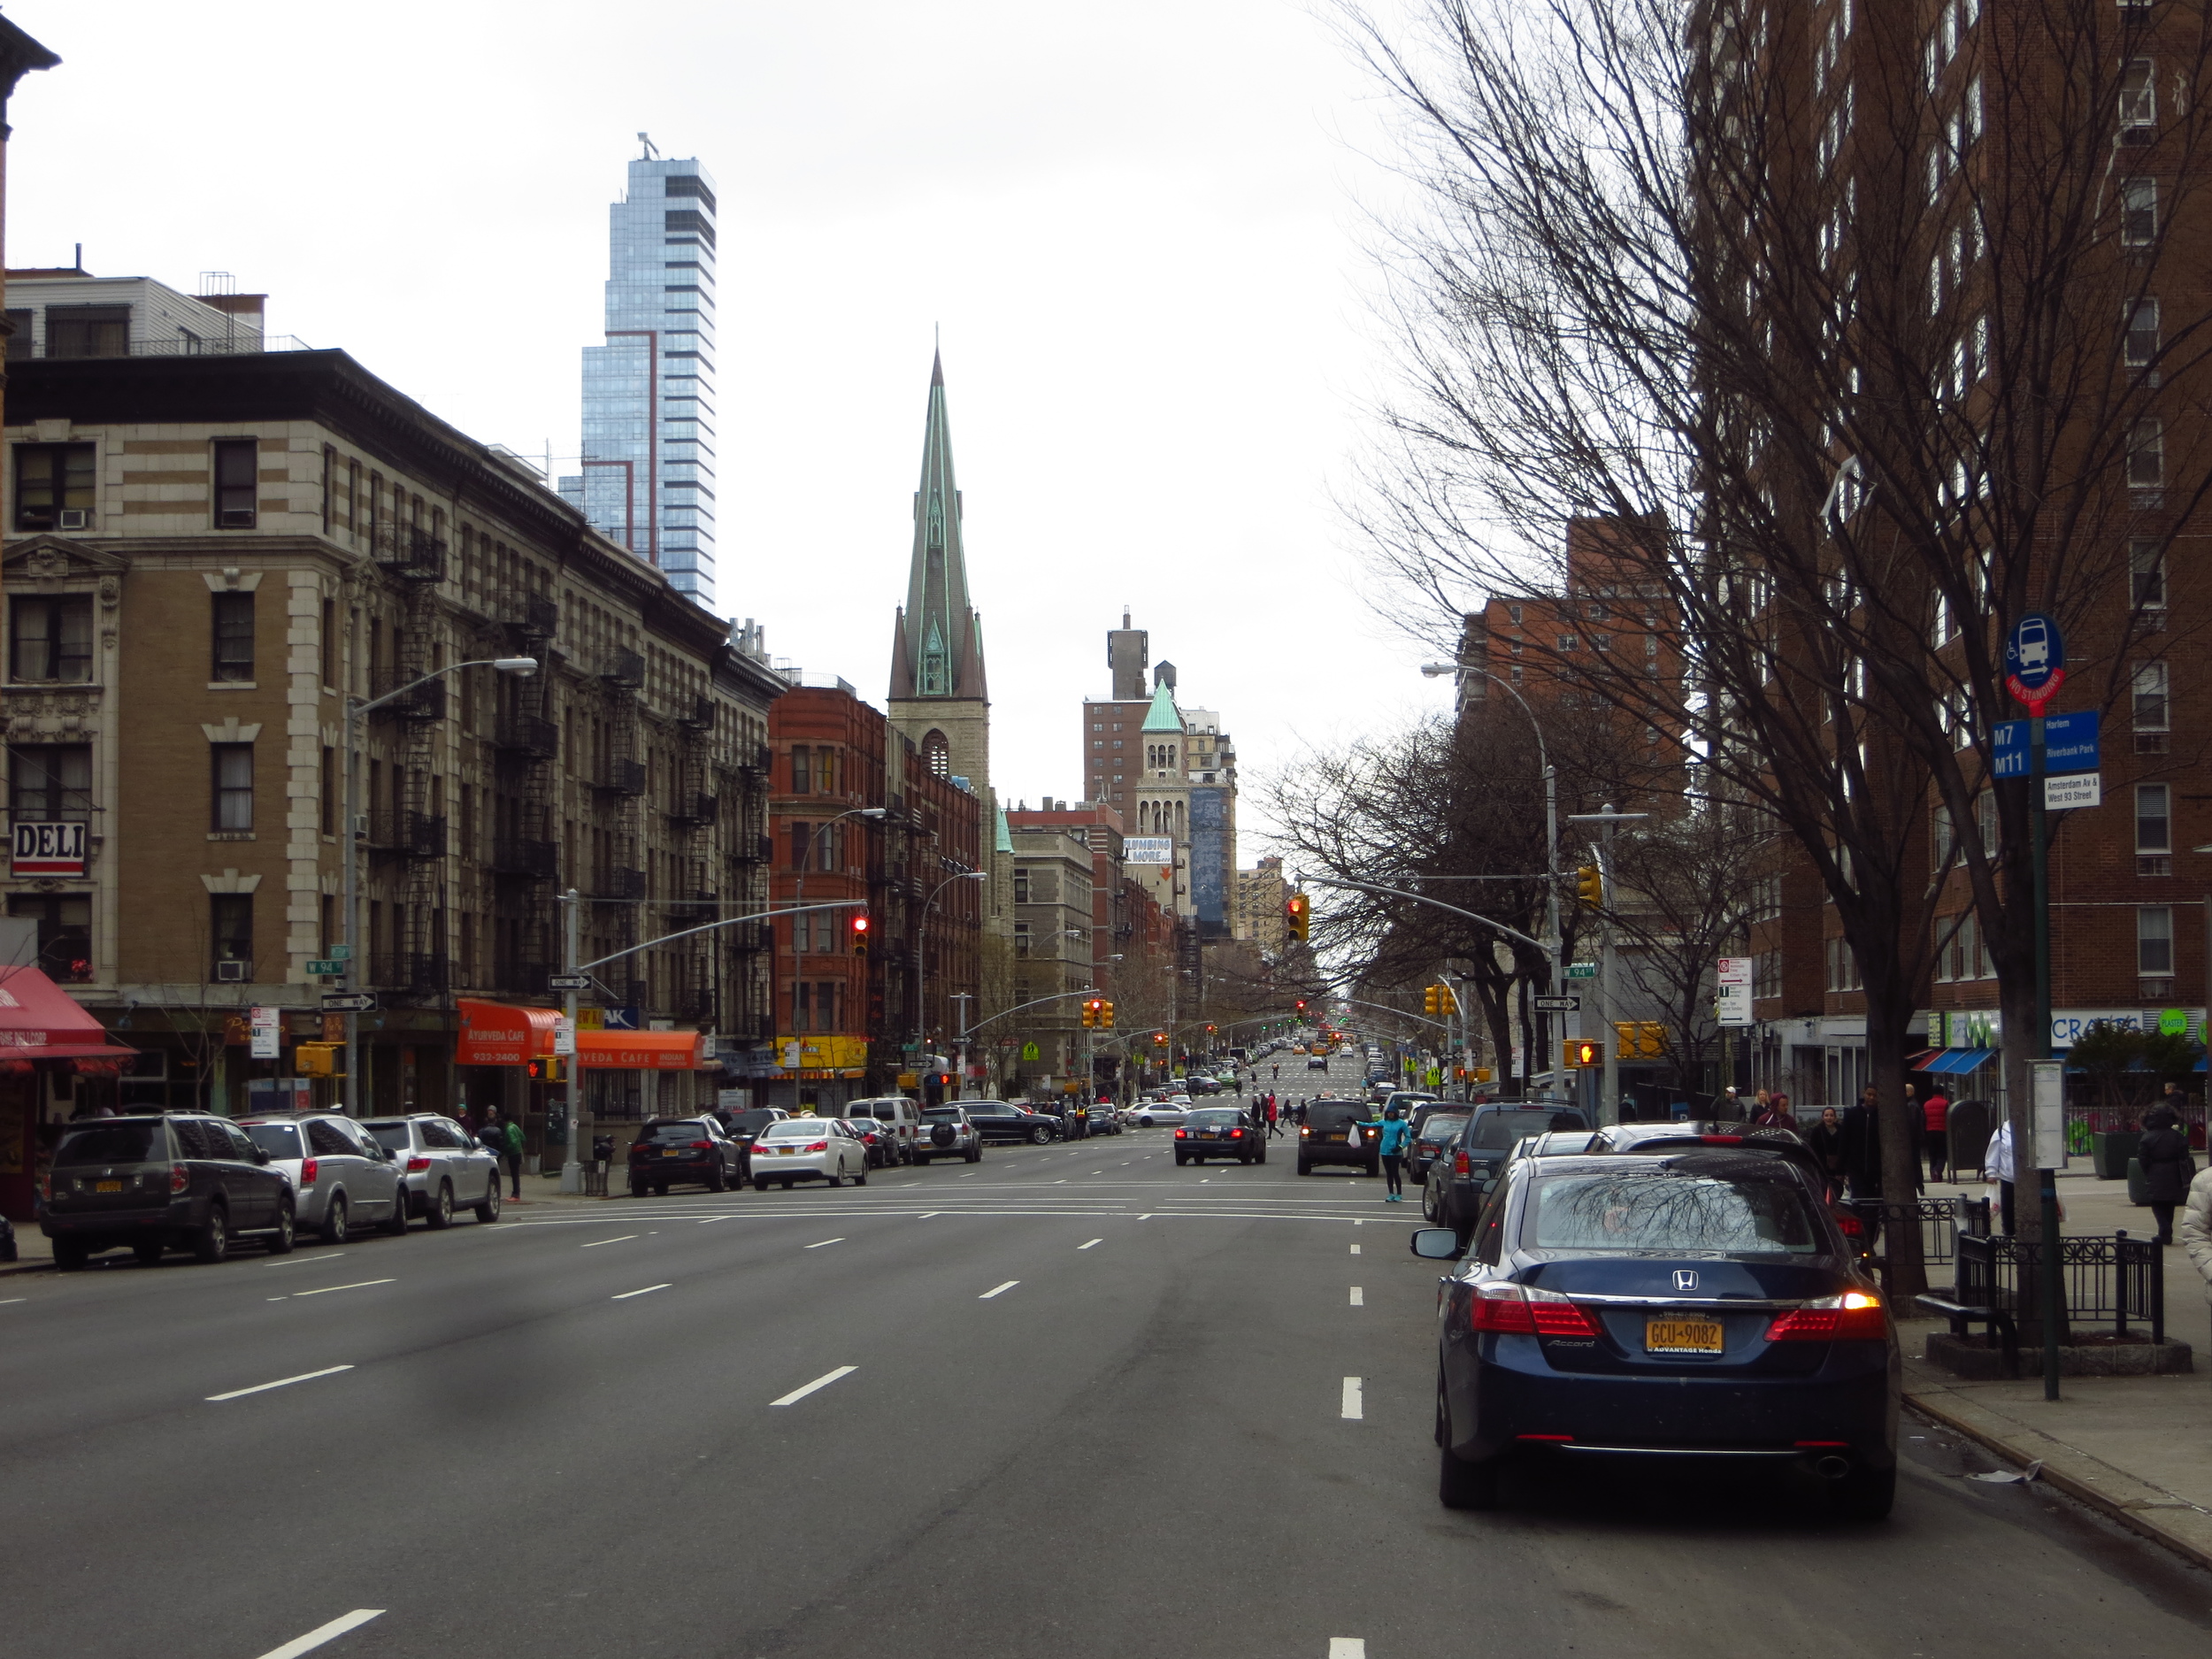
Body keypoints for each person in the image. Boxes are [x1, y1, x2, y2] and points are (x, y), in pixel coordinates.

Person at [2138, 1107, 2192, 1246]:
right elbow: (2185, 1155)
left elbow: (2143, 1158)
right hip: (2174, 1171)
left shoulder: (2147, 1137)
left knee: (2156, 1203)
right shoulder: (2178, 1136)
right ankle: (2167, 1232)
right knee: (2170, 1203)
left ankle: (2164, 1228)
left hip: (2155, 1170)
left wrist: (2149, 1171)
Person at [1983, 1117, 2016, 1235]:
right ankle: (2009, 1233)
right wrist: (1991, 1173)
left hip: (2028, 1178)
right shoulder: (2002, 1132)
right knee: (2008, 1209)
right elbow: (1993, 1152)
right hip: (2008, 1178)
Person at [1807, 1106, 1847, 1203]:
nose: (1829, 1118)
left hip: (1838, 1165)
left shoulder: (1841, 1130)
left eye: (1831, 1115)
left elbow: (1844, 1147)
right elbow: (1813, 1148)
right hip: (1823, 1165)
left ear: (1835, 1117)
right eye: (1826, 1115)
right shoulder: (1817, 1131)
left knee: (1837, 1190)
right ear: (1823, 1117)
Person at [1378, 1105, 1410, 1202]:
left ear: (1396, 1113)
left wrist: (1400, 1147)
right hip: (1384, 1151)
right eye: (1389, 1112)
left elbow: (1408, 1138)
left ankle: (1399, 1194)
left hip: (1395, 1152)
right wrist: (1356, 1122)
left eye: (1392, 1112)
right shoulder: (1384, 1122)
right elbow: (1371, 1125)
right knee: (1389, 1173)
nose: (1390, 1114)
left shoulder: (1401, 1124)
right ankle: (1391, 1193)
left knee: (1395, 1172)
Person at [1923, 1085, 1951, 1184]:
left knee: (1932, 1154)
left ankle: (1933, 1174)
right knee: (1942, 1154)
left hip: (1930, 1131)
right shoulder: (1946, 1103)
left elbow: (1924, 1118)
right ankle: (1938, 1170)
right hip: (1942, 1131)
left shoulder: (1926, 1104)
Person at [502, 1111, 525, 1199]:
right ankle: (516, 1193)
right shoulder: (515, 1126)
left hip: (513, 1154)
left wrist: (506, 1148)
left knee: (514, 1174)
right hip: (518, 1153)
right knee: (516, 1174)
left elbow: (513, 1142)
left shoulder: (509, 1129)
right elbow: (523, 1137)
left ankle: (515, 1194)